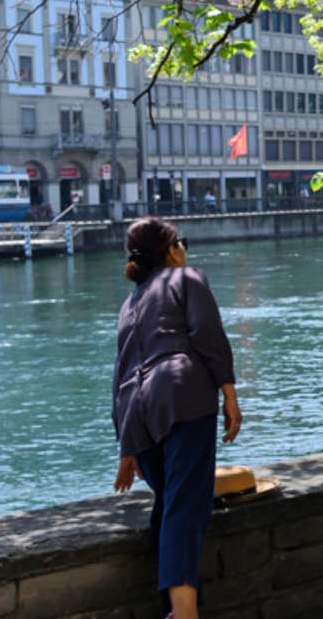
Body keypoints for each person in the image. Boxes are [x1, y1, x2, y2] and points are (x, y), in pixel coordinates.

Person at [112, 218, 242, 619]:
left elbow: (122, 372)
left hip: (136, 413)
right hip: (182, 396)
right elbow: (208, 336)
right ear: (172, 251)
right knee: (187, 505)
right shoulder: (185, 277)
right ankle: (185, 612)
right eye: (180, 242)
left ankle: (173, 607)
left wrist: (127, 446)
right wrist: (230, 395)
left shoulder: (130, 303)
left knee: (170, 504)